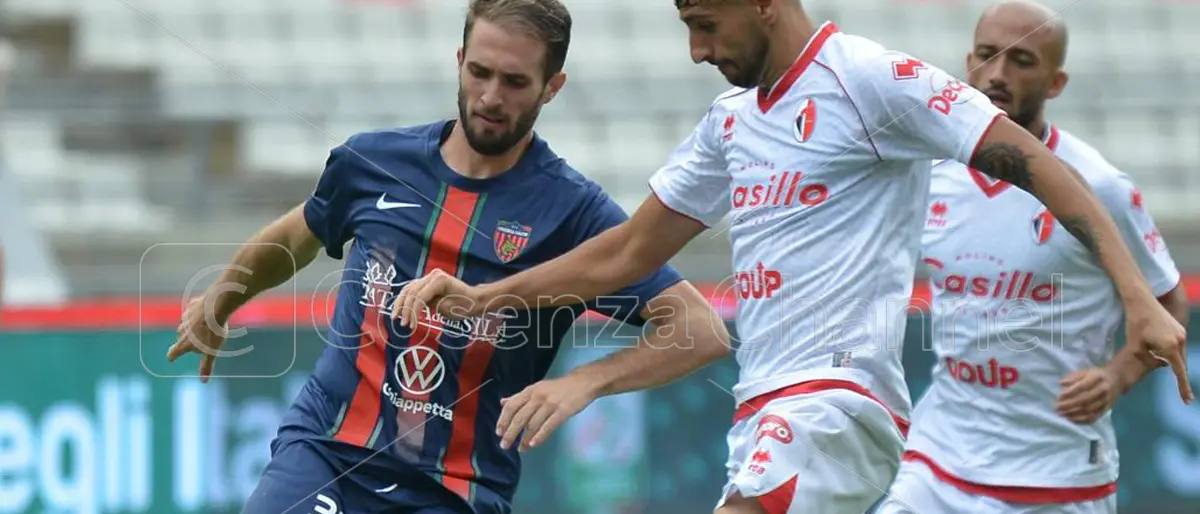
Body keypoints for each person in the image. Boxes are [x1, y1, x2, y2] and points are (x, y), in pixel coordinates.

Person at [393, 0, 1192, 513]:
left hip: (837, 405)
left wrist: (1136, 296)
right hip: (767, 408)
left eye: (706, 23)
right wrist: (488, 296)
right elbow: (631, 251)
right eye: (686, 26)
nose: (698, 48)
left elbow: (1036, 162)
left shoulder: (873, 81)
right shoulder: (732, 121)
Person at [167, 1, 731, 513]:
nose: (490, 97)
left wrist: (583, 383)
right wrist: (222, 298)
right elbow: (295, 238)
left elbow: (699, 328)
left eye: (514, 82)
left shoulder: (571, 213)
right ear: (459, 59)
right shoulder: (373, 162)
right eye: (479, 72)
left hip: (455, 489)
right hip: (328, 452)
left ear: (552, 87)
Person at [872, 2, 1190, 513]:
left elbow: (1169, 304)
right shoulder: (930, 174)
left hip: (1056, 476)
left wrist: (1116, 377)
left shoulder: (1101, 189)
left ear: (1056, 82)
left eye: (1021, 61)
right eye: (986, 56)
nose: (997, 75)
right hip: (937, 462)